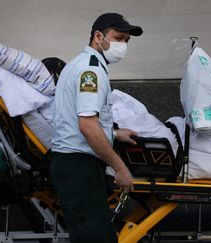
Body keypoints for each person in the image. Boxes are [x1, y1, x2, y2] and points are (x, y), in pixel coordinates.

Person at [49, 13, 143, 243]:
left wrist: (113, 133)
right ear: (98, 37)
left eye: (126, 41)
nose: (122, 45)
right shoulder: (91, 72)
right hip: (78, 167)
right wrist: (120, 168)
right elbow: (88, 128)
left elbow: (77, 120)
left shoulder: (82, 64)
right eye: (118, 38)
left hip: (74, 165)